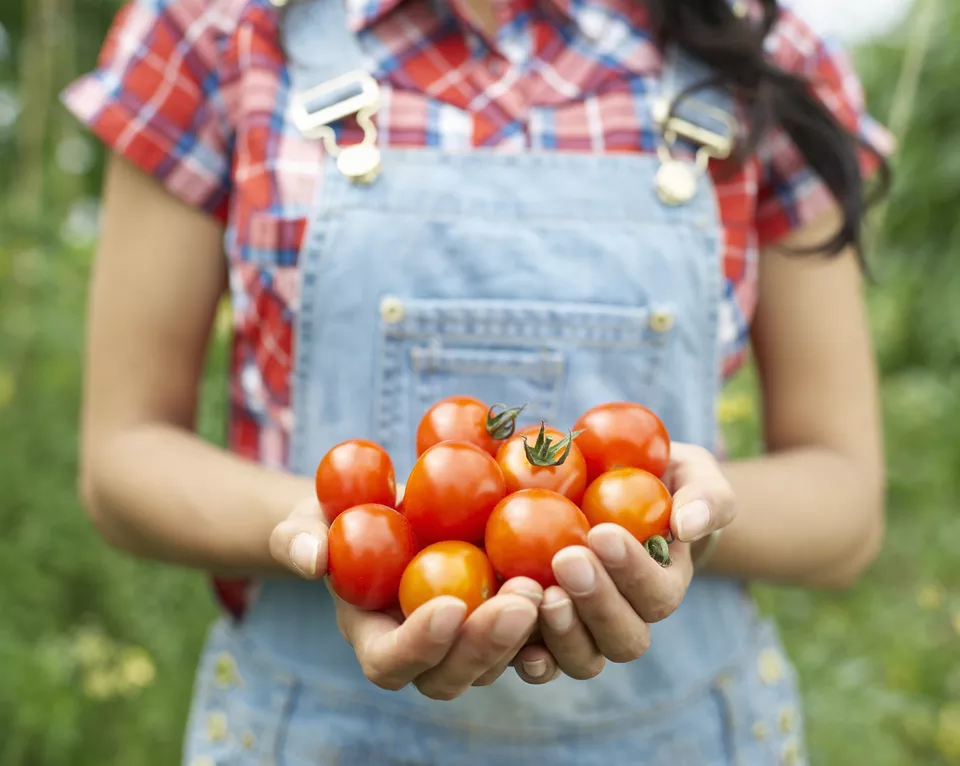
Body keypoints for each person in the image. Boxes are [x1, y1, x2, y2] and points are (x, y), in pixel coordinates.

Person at [63, 0, 892, 762]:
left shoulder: (761, 47)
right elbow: (123, 457)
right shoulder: (209, 26)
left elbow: (843, 503)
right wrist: (334, 538)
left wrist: (680, 522)